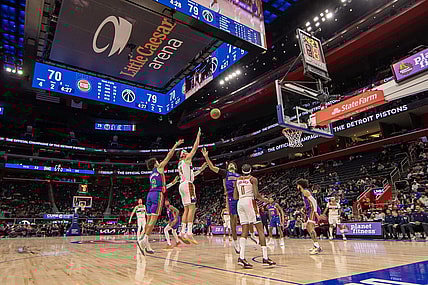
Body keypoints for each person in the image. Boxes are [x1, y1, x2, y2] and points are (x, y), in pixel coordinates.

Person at [140, 139, 183, 254]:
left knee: (149, 220)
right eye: (158, 161)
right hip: (157, 195)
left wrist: (173, 183)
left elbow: (162, 185)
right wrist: (176, 145)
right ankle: (143, 240)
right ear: (155, 164)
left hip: (150, 194)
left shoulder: (151, 174)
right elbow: (169, 156)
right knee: (153, 220)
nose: (160, 162)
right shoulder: (159, 169)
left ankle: (146, 244)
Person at [234, 164, 275, 268]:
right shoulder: (253, 179)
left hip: (240, 203)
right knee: (260, 229)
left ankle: (241, 257)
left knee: (244, 231)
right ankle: (265, 257)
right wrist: (266, 200)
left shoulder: (237, 180)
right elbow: (256, 195)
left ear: (242, 170)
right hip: (249, 202)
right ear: (251, 170)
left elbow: (235, 196)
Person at [202, 147, 241, 253]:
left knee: (245, 219)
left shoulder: (239, 176)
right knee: (233, 220)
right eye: (230, 164)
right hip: (231, 198)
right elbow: (212, 167)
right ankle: (235, 242)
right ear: (228, 167)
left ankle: (250, 235)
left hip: (241, 198)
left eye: (233, 164)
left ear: (236, 168)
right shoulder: (225, 173)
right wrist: (206, 157)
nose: (232, 165)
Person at [177, 128, 203, 245]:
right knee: (192, 208)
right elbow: (195, 148)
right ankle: (189, 232)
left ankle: (182, 231)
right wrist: (198, 136)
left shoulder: (180, 164)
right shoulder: (186, 160)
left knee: (186, 209)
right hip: (187, 185)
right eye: (185, 152)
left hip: (182, 185)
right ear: (183, 155)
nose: (188, 153)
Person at [296, 178, 322, 255]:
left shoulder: (305, 191)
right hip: (310, 210)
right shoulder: (303, 192)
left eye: (297, 185)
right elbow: (308, 202)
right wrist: (304, 208)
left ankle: (318, 247)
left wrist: (315, 212)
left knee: (310, 227)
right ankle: (315, 245)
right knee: (307, 227)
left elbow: (314, 201)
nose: (296, 187)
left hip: (313, 210)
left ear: (300, 185)